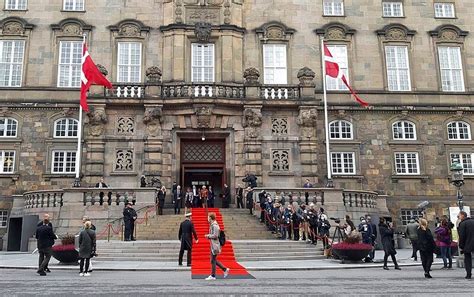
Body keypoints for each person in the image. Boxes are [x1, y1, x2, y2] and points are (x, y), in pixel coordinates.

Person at [205, 212, 230, 280]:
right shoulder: (213, 225)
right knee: (213, 260)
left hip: (215, 244)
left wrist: (208, 236)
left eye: (208, 217)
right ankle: (224, 269)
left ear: (210, 218)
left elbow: (215, 235)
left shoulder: (214, 225)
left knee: (213, 260)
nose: (207, 218)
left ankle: (213, 275)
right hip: (213, 244)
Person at [458, 211, 474, 279]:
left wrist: (461, 245)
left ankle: (468, 274)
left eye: (459, 216)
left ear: (462, 215)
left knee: (467, 259)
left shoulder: (462, 223)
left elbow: (462, 236)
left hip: (467, 244)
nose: (458, 217)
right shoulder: (473, 221)